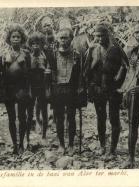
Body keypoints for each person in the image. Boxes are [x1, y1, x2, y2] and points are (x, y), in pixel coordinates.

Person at [85, 24, 127, 160]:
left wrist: (120, 79)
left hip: (113, 89)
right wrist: (93, 60)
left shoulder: (115, 49)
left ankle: (113, 149)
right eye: (96, 36)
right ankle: (102, 146)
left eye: (101, 35)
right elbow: (86, 71)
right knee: (100, 118)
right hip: (98, 88)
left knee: (114, 118)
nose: (99, 38)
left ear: (107, 35)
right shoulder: (93, 50)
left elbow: (126, 65)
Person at [121, 20, 139, 168]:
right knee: (132, 125)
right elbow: (129, 74)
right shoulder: (131, 51)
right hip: (134, 93)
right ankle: (131, 158)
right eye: (136, 32)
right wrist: (126, 90)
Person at [0, 24, 31, 154]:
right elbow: (1, 75)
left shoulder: (27, 54)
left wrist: (28, 90)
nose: (16, 39)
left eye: (18, 37)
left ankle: (22, 143)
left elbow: (30, 73)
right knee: (11, 118)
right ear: (9, 39)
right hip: (9, 89)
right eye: (13, 37)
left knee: (22, 117)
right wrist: (1, 91)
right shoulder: (4, 55)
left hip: (22, 88)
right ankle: (14, 144)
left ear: (22, 39)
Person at [50, 28, 82, 156]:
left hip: (71, 89)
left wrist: (80, 88)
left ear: (71, 39)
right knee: (59, 118)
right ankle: (61, 144)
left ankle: (71, 144)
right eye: (61, 38)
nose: (63, 40)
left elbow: (80, 74)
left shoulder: (76, 55)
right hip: (57, 89)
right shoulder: (53, 54)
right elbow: (50, 71)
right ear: (58, 39)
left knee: (71, 117)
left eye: (66, 38)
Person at [27, 32, 51, 146]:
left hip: (42, 85)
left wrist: (47, 89)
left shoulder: (45, 56)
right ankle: (28, 135)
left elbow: (48, 73)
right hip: (32, 86)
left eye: (38, 44)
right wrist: (29, 89)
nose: (35, 46)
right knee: (30, 111)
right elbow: (27, 74)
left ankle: (44, 135)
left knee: (44, 111)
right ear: (30, 45)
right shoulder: (28, 56)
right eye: (33, 44)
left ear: (42, 44)